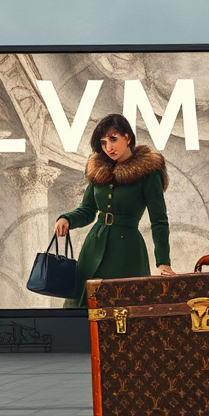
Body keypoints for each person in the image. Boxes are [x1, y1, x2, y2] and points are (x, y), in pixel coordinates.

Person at [54, 114, 176, 308]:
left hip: (127, 251)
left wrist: (163, 262)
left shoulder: (149, 172)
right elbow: (87, 210)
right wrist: (67, 219)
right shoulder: (99, 170)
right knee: (80, 308)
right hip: (94, 246)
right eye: (103, 142)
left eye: (113, 138)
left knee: (125, 309)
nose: (108, 147)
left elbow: (159, 220)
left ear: (127, 137)